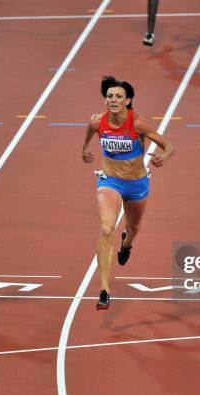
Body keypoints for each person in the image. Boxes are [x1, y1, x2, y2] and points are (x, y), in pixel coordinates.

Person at [82, 76, 175, 310]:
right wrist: (84, 149)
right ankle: (104, 290)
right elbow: (89, 133)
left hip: (137, 184)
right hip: (110, 182)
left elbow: (169, 146)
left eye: (118, 97)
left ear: (127, 100)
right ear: (106, 100)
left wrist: (164, 156)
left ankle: (127, 244)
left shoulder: (137, 124)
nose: (113, 100)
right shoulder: (97, 122)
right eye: (110, 96)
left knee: (133, 228)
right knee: (105, 229)